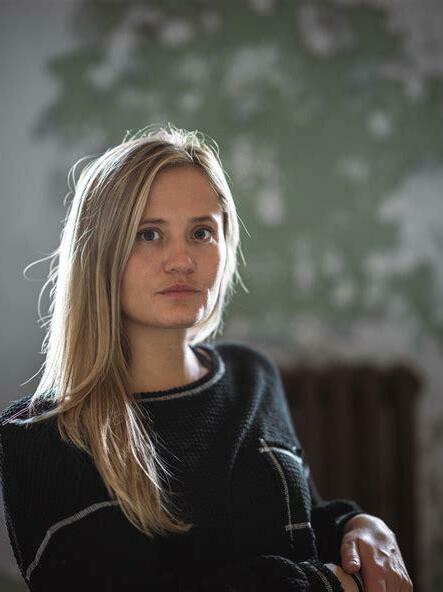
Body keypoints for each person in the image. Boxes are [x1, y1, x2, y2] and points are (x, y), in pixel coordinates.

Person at [0, 124, 411, 592]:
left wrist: (359, 525)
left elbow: (300, 521)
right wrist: (324, 586)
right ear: (98, 252)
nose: (182, 261)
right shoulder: (41, 436)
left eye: (201, 232)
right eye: (149, 234)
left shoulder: (252, 375)